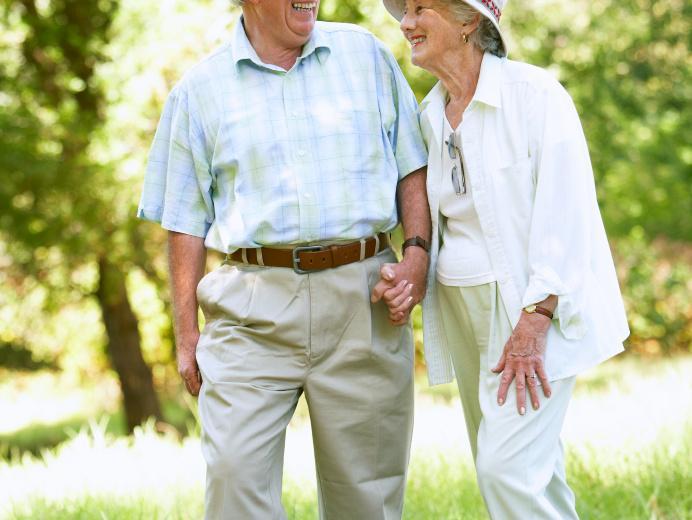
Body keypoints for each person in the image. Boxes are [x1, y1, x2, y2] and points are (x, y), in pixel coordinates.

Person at [137, 1, 431, 518]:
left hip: (363, 300)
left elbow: (412, 165)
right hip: (251, 306)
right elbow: (184, 219)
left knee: (367, 496)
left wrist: (416, 255)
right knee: (233, 480)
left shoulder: (365, 57)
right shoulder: (198, 91)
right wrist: (185, 334)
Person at [378, 0, 630, 518]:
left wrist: (537, 316)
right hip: (462, 307)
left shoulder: (535, 96)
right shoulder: (429, 116)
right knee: (529, 474)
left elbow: (567, 213)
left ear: (469, 20)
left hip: (532, 308)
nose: (405, 23)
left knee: (506, 470)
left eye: (421, 8)